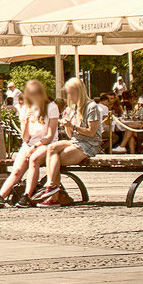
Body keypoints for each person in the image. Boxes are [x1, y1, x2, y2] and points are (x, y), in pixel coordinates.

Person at [34, 78, 102, 207]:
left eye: (71, 93)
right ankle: (52, 188)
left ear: (79, 92)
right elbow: (71, 136)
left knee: (56, 159)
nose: (69, 96)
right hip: (76, 141)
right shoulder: (73, 108)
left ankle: (52, 193)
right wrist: (67, 126)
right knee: (51, 148)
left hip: (89, 144)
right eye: (68, 93)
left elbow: (92, 133)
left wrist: (73, 126)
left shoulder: (91, 107)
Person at [0, 79, 59, 208]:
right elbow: (25, 137)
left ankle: (27, 196)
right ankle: (1, 196)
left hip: (46, 144)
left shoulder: (51, 107)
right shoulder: (25, 109)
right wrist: (26, 122)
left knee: (34, 159)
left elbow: (50, 135)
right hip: (29, 144)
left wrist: (35, 147)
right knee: (17, 170)